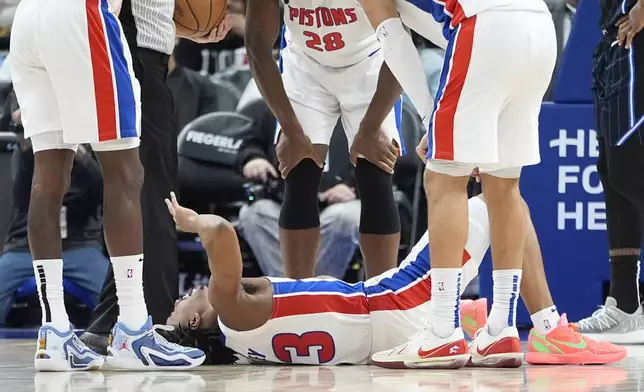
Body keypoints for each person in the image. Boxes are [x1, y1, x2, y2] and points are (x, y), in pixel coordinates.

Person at [161, 191, 625, 366]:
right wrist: (191, 221)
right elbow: (221, 232)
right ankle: (547, 331)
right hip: (392, 300)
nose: (186, 294)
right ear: (195, 325)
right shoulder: (228, 310)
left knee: (495, 210)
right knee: (503, 204)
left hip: (381, 333)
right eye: (179, 306)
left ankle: (476, 321)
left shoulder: (244, 350)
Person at [8, 0, 222, 371]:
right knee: (127, 172)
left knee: (48, 175)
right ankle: (134, 332)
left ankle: (54, 332)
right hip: (83, 13)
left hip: (29, 18)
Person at [359, 0, 557, 368]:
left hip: (484, 25)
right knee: (503, 185)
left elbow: (396, 44)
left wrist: (427, 115)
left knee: (443, 178)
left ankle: (441, 331)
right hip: (539, 27)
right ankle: (501, 327)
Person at [78, 0, 232, 355]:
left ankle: (114, 322)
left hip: (133, 54)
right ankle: (153, 325)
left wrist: (185, 29)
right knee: (156, 197)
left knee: (143, 191)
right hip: (136, 58)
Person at [245, 0, 403, 280]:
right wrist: (291, 131)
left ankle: (382, 300)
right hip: (306, 63)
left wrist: (371, 126)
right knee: (299, 170)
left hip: (372, 57)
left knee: (375, 173)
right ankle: (298, 297)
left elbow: (403, 46)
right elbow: (257, 45)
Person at [572, 0, 644, 343]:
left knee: (630, 169)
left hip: (637, 36)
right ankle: (624, 304)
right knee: (613, 177)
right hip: (614, 40)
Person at [237, 99, 361, 278]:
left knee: (345, 217)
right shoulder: (276, 103)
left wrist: (351, 185)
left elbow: (375, 154)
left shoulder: (354, 107)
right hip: (282, 200)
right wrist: (253, 159)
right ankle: (290, 291)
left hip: (335, 202)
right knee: (253, 214)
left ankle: (318, 291)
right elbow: (249, 143)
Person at [0, 123, 108, 326]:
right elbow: (22, 197)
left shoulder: (88, 154)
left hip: (79, 246)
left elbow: (99, 189)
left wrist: (77, 152)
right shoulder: (28, 153)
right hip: (25, 247)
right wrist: (29, 145)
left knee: (114, 297)